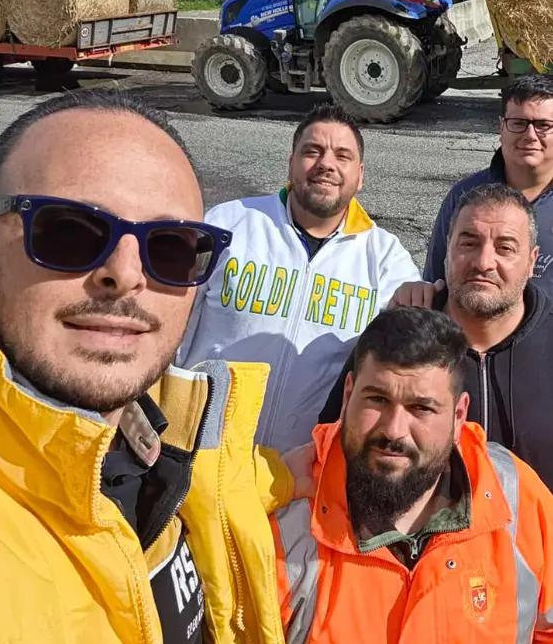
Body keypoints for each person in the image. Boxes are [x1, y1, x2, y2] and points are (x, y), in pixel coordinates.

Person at [0, 88, 312, 644]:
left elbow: (226, 484)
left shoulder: (166, 441)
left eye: (171, 247)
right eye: (68, 233)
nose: (126, 274)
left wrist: (299, 469)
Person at [273, 306, 553, 644]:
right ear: (347, 395)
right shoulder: (286, 527)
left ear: (459, 416)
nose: (394, 430)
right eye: (377, 399)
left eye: (422, 408)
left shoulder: (516, 497)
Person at [177, 102, 419, 453]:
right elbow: (169, 325)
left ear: (360, 175)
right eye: (312, 151)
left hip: (305, 471)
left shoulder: (385, 258)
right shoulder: (229, 224)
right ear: (291, 162)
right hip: (200, 455)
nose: (326, 164)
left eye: (342, 155)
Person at [326, 182, 553, 491]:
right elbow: (330, 446)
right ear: (447, 248)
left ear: (531, 261)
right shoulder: (397, 333)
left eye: (505, 247)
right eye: (469, 243)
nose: (484, 262)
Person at [425, 73, 553, 296]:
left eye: (543, 125)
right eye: (518, 123)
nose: (530, 135)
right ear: (501, 128)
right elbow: (436, 284)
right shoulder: (465, 196)